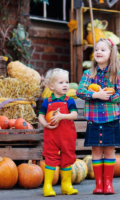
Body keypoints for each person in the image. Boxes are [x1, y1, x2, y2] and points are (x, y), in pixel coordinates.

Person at [76, 38, 120, 195]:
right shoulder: (88, 74)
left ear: (111, 54)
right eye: (96, 49)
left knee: (110, 151)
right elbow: (80, 92)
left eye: (103, 50)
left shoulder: (116, 74)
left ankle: (108, 185)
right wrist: (96, 94)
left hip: (111, 120)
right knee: (96, 151)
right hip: (94, 119)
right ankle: (99, 185)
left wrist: (107, 97)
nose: (98, 52)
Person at [38, 68, 78, 197]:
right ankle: (47, 185)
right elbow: (40, 116)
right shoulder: (47, 101)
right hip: (52, 135)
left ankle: (66, 185)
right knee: (50, 158)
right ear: (51, 86)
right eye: (61, 82)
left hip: (67, 136)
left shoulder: (69, 100)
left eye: (67, 82)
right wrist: (46, 125)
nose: (65, 85)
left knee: (67, 157)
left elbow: (74, 115)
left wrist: (62, 116)